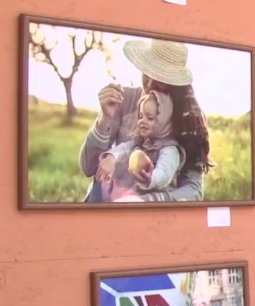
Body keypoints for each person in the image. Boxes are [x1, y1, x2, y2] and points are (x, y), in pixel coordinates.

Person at [79, 38, 213, 203]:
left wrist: (148, 201)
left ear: (174, 84)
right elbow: (88, 168)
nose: (149, 83)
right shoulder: (125, 99)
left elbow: (194, 191)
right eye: (147, 73)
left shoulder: (187, 121)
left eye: (159, 78)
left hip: (155, 217)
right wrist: (104, 118)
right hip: (106, 205)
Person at [95, 90, 186, 201]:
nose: (142, 121)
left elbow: (164, 173)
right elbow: (124, 148)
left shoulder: (170, 149)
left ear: (164, 121)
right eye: (141, 116)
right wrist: (111, 158)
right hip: (140, 198)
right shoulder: (141, 142)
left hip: (161, 204)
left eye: (150, 118)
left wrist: (150, 178)